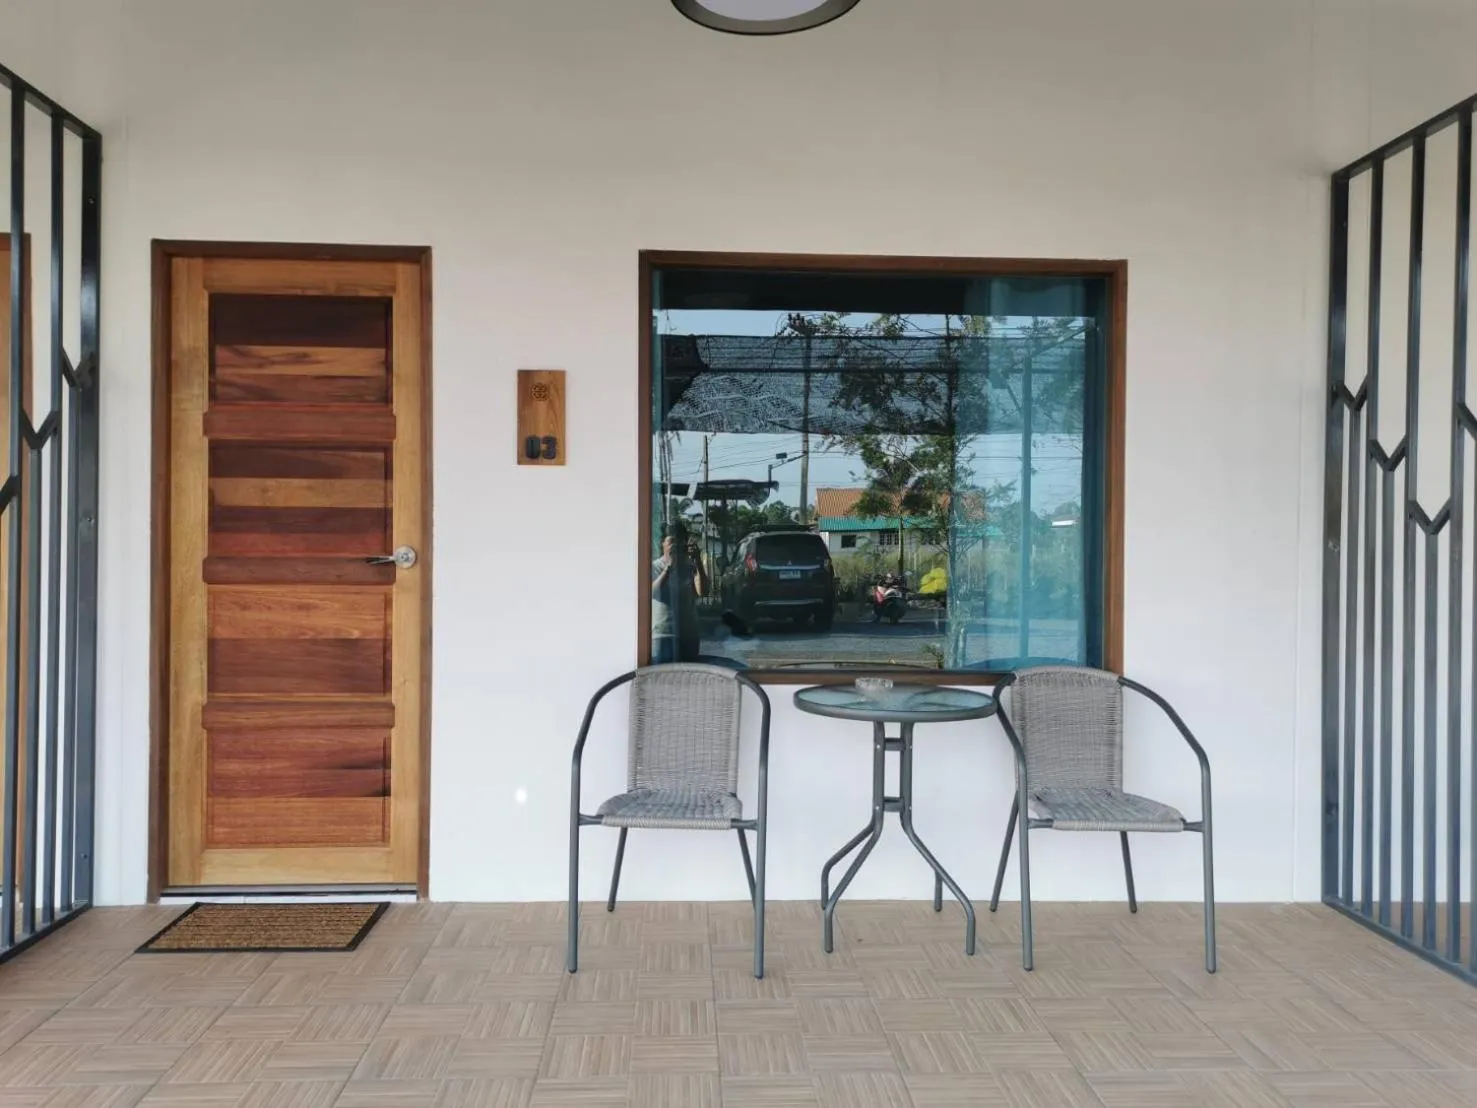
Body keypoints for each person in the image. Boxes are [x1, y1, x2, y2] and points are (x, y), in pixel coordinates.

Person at [651, 522, 708, 663]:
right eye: (672, 541)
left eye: (680, 541)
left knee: (690, 679)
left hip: (688, 633)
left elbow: (703, 592)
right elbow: (653, 591)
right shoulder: (655, 566)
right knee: (662, 679)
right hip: (664, 633)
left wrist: (698, 562)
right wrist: (669, 567)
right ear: (662, 543)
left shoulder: (689, 566)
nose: (675, 546)